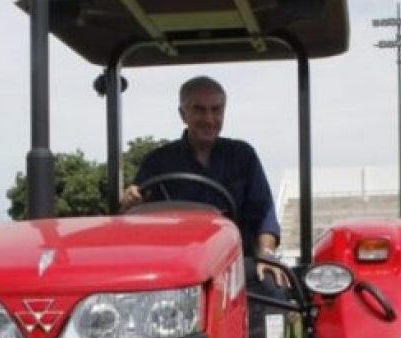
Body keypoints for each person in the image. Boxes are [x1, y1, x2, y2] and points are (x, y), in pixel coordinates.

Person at [121, 76, 285, 284]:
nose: (209, 119)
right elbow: (135, 218)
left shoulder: (243, 156)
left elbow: (264, 214)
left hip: (234, 264)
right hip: (174, 267)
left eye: (216, 110)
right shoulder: (157, 161)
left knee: (271, 284)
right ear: (183, 114)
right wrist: (129, 202)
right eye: (199, 110)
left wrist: (266, 255)